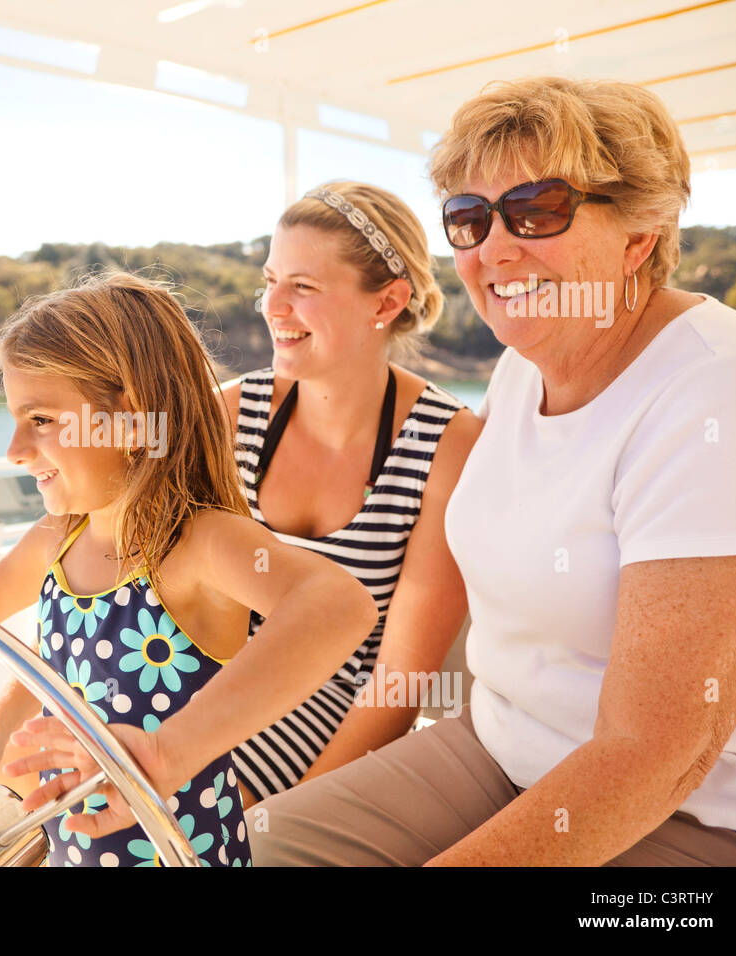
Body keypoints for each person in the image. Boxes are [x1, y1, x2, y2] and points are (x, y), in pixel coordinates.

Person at [248, 76, 736, 866]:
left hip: (696, 811)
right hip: (498, 743)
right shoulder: (521, 371)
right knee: (271, 845)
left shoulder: (721, 390)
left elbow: (655, 751)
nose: (493, 248)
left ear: (642, 233)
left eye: (538, 210)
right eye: (468, 218)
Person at [0, 271, 378, 867]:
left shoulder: (198, 541)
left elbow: (341, 605)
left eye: (40, 419)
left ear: (126, 418)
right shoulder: (57, 538)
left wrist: (166, 753)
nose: (14, 450)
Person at [220, 181, 483, 808]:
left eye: (303, 287)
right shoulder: (232, 413)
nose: (272, 306)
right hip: (208, 688)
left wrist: (283, 822)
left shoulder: (447, 445)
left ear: (388, 301)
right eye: (270, 279)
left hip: (331, 723)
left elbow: (399, 683)